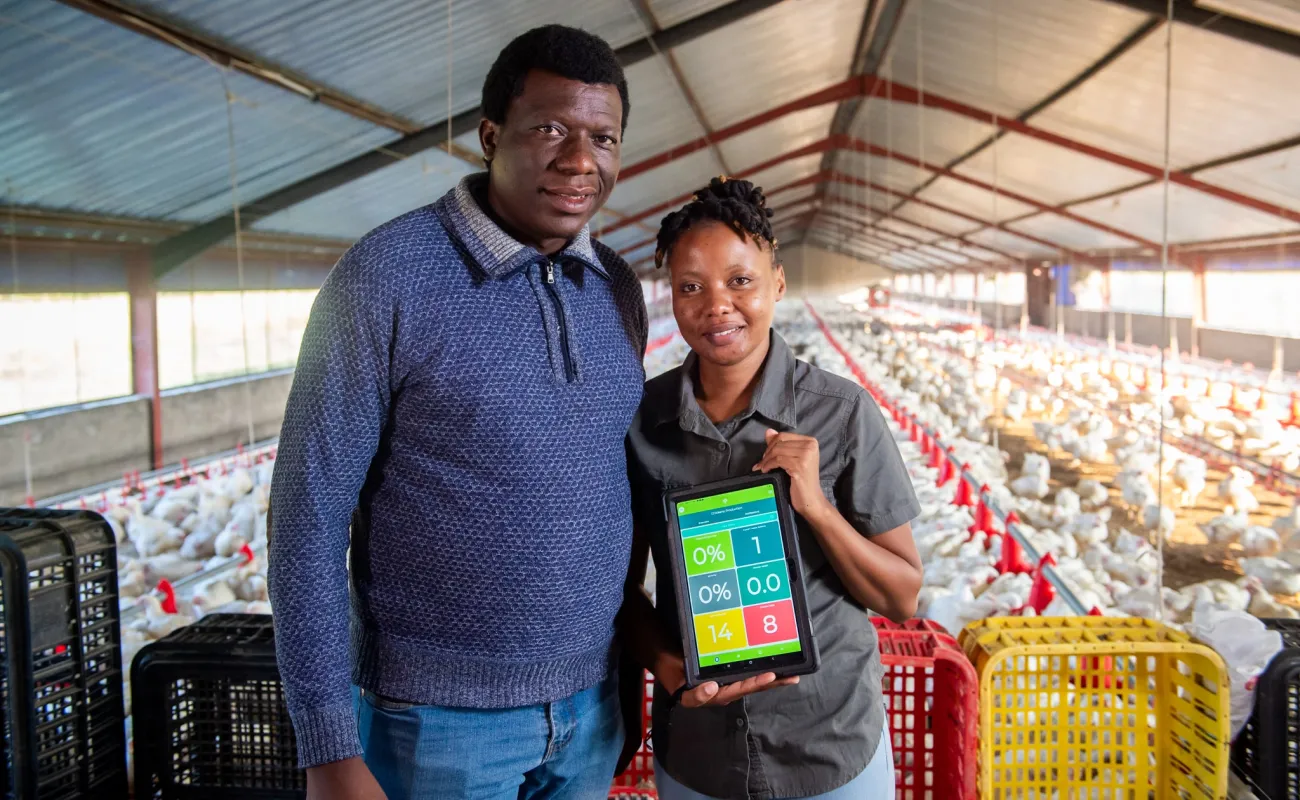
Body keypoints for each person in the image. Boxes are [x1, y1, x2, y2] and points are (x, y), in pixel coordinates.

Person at [268, 25, 647, 800]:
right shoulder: (386, 277)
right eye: (550, 129)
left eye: (602, 138)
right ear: (488, 136)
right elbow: (306, 516)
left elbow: (610, 490)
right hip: (437, 725)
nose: (580, 161)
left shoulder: (615, 284)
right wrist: (327, 745)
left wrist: (630, 668)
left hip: (590, 709)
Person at [621, 178, 924, 800]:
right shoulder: (638, 422)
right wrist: (676, 674)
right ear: (670, 298)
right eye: (690, 286)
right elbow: (619, 591)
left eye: (740, 280)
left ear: (777, 284)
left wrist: (815, 506)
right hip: (701, 751)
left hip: (828, 743)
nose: (716, 306)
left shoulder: (841, 413)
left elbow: (901, 597)